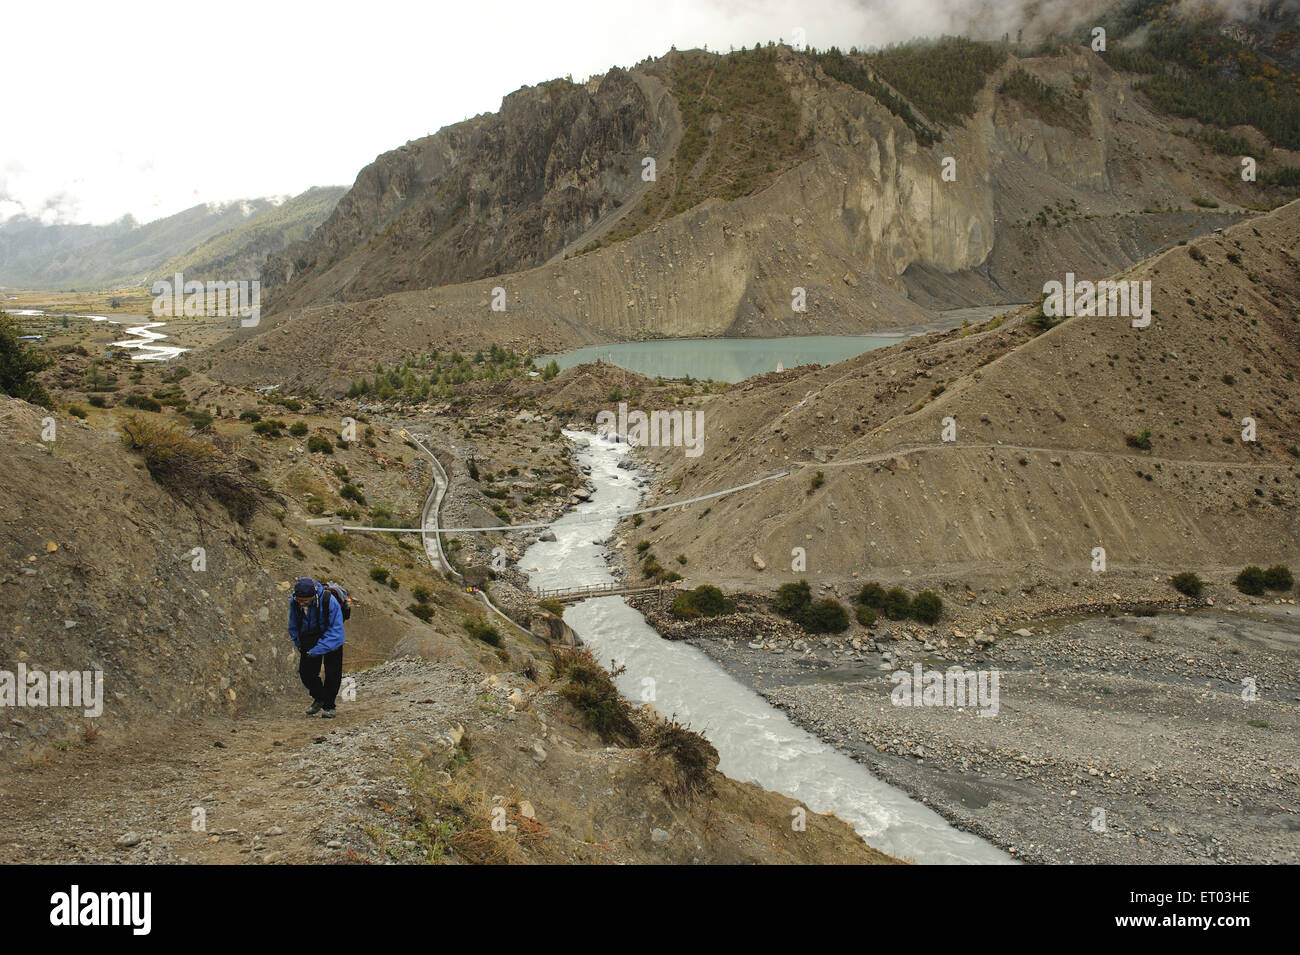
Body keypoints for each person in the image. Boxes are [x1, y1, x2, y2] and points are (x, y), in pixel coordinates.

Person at [288, 577, 345, 717]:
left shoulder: (330, 602)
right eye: (299, 600)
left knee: (332, 673)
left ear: (314, 596)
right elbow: (293, 623)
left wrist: (317, 650)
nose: (302, 603)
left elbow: (336, 632)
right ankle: (319, 697)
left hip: (333, 640)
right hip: (310, 636)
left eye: (305, 601)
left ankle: (329, 706)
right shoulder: (294, 602)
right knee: (306, 673)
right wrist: (298, 643)